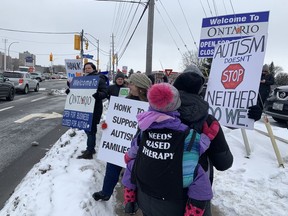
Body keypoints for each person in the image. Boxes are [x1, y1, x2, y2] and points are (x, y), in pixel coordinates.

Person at [171, 64, 262, 215]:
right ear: (200, 87)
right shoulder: (208, 120)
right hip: (195, 195)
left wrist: (249, 114)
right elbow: (224, 163)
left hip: (154, 191)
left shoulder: (155, 114)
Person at [122, 83, 214, 215]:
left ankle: (129, 197)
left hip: (146, 185)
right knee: (199, 176)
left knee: (131, 165)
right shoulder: (187, 133)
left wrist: (128, 156)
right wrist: (207, 137)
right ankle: (194, 209)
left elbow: (135, 147)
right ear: (176, 105)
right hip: (174, 189)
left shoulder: (144, 129)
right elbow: (197, 147)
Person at [92, 73, 152, 202]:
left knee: (137, 173)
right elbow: (117, 121)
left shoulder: (151, 104)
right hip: (121, 143)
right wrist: (107, 125)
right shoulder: (125, 100)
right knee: (112, 163)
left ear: (141, 87)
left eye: (132, 83)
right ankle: (106, 192)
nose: (128, 85)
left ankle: (135, 200)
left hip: (141, 144)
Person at [72, 62, 109, 159]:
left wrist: (98, 95)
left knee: (91, 130)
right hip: (84, 108)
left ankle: (89, 152)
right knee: (87, 129)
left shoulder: (99, 79)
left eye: (89, 68)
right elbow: (78, 92)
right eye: (86, 68)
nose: (87, 69)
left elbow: (105, 92)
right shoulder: (83, 79)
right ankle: (91, 148)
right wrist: (70, 91)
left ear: (93, 69)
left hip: (94, 108)